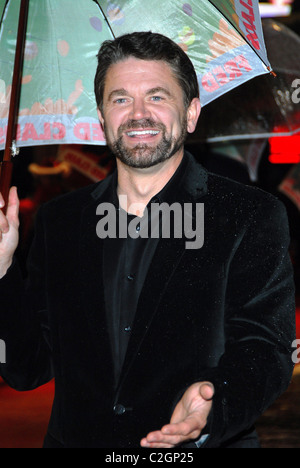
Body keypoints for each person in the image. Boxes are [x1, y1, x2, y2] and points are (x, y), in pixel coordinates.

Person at [0, 32, 296, 449]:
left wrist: (216, 403)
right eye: (120, 99)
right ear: (102, 118)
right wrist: (1, 271)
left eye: (157, 97)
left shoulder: (249, 215)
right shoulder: (60, 221)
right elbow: (24, 367)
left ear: (191, 114)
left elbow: (265, 348)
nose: (139, 114)